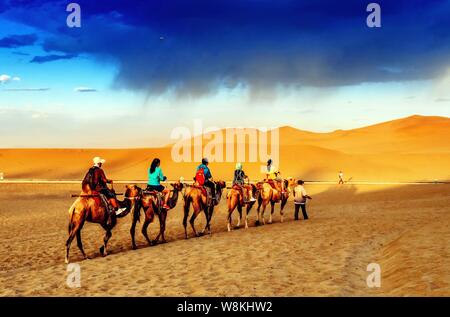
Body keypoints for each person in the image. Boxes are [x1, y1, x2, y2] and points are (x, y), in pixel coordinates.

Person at [82, 157, 126, 223]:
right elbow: (104, 180)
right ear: (99, 163)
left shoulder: (90, 170)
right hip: (98, 188)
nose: (101, 164)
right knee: (111, 194)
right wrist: (110, 181)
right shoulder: (100, 170)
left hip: (90, 188)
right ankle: (117, 210)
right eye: (101, 163)